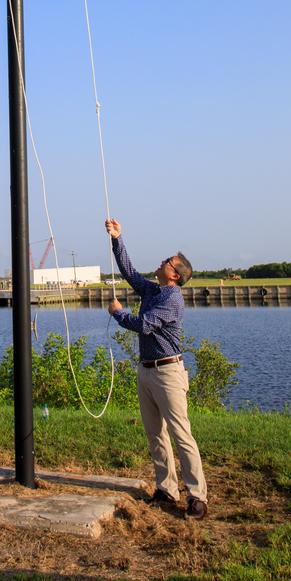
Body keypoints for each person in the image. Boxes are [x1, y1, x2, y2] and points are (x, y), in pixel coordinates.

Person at [105, 217, 208, 519]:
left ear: (175, 275)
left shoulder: (172, 298)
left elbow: (144, 325)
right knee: (155, 434)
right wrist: (117, 239)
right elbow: (129, 273)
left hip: (168, 373)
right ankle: (166, 489)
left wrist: (119, 314)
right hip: (147, 370)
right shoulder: (153, 291)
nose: (163, 261)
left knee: (181, 433)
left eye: (168, 261)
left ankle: (197, 496)